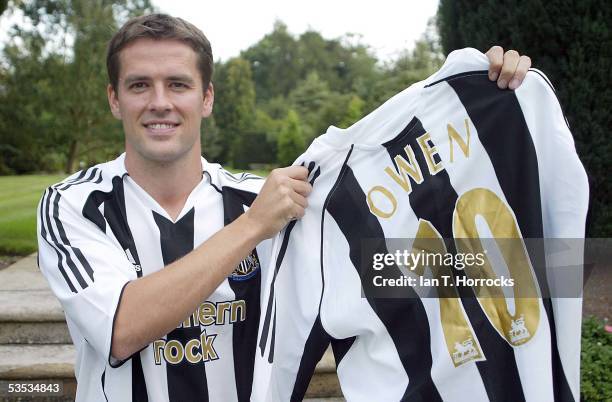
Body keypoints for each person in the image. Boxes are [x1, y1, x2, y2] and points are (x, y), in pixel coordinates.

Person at [37, 13, 532, 402]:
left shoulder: (267, 201)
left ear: (206, 98)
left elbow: (396, 265)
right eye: (140, 85)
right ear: (114, 99)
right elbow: (121, 329)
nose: (160, 102)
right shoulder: (74, 205)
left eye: (179, 85)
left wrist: (480, 97)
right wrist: (252, 227)